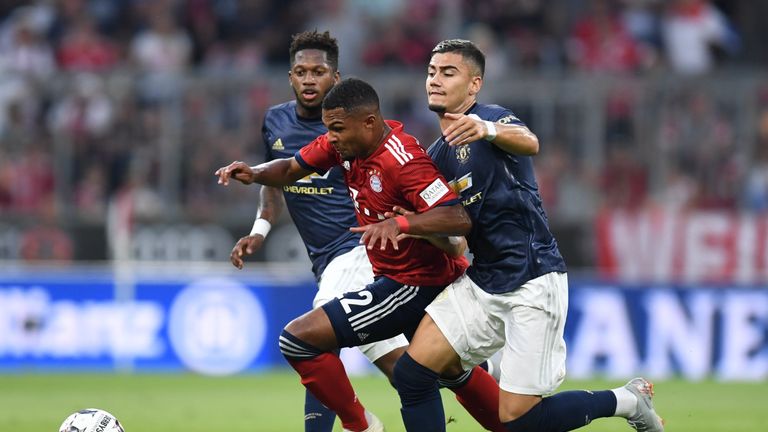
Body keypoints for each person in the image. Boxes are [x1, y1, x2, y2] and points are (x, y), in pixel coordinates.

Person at [391, 39, 665, 432]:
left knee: (520, 421)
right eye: (432, 72)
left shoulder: (492, 118)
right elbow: (455, 242)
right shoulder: (437, 157)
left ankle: (626, 400)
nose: (435, 80)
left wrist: (486, 129)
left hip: (532, 278)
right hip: (483, 281)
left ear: (474, 85)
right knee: (411, 374)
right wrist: (415, 224)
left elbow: (531, 142)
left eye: (448, 72)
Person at [216, 77, 503, 432]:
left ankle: (361, 426)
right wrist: (254, 173)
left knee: (298, 339)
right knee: (448, 373)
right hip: (396, 276)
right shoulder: (343, 146)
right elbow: (292, 168)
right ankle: (517, 424)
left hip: (415, 283)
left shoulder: (403, 159)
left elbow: (458, 217)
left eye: (337, 128)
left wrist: (401, 223)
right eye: (328, 129)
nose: (331, 137)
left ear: (368, 122)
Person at [227, 31, 408, 432]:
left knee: (309, 340)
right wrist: (260, 229)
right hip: (327, 261)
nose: (309, 79)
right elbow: (273, 181)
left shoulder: (353, 126)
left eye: (319, 71)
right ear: (290, 76)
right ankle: (482, 386)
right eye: (301, 72)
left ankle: (361, 426)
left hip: (358, 248)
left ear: (336, 77)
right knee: (405, 369)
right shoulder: (274, 121)